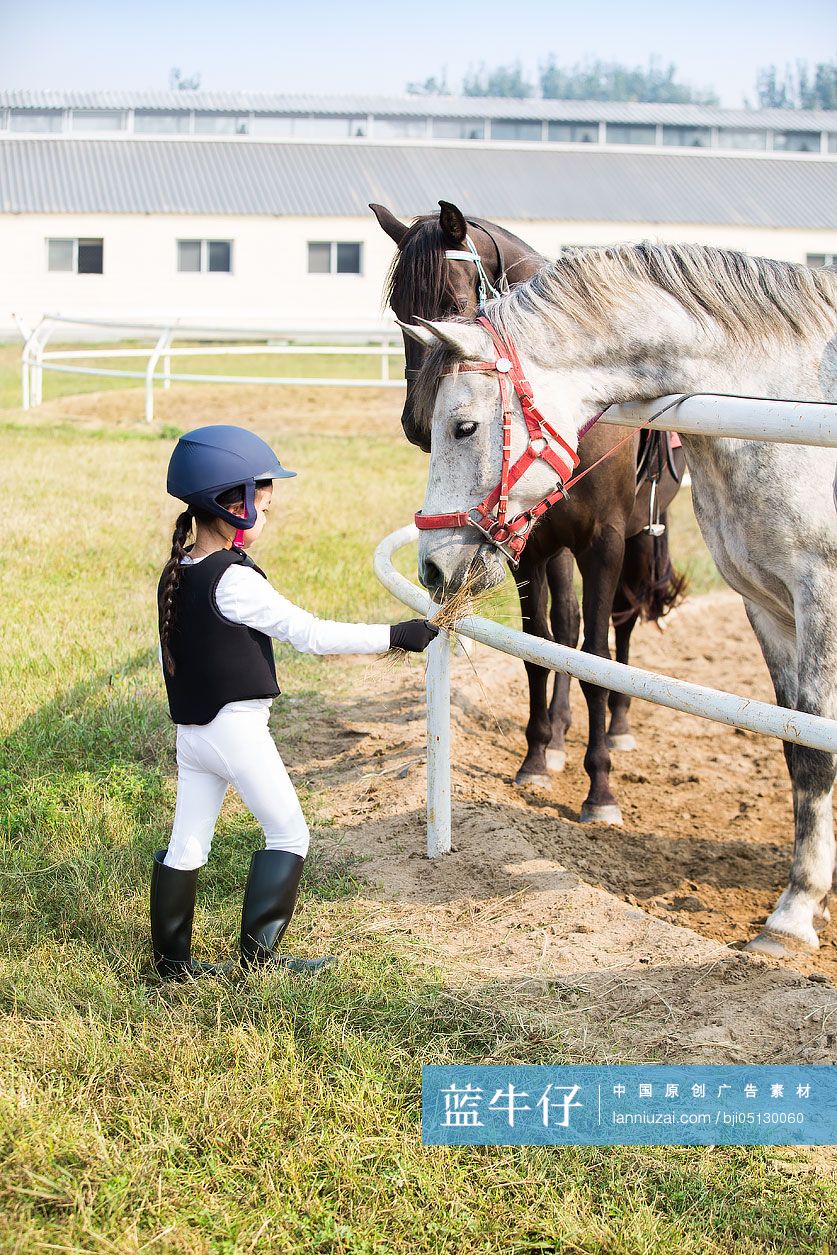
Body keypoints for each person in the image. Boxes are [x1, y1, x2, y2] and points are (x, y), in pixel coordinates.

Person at [153, 424, 438, 980]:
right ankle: (260, 958)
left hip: (193, 735)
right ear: (229, 505)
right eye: (261, 503)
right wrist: (394, 636)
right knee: (288, 832)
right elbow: (309, 634)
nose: (267, 514)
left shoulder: (180, 568)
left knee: (187, 842)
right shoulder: (233, 581)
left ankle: (171, 965)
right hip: (236, 731)